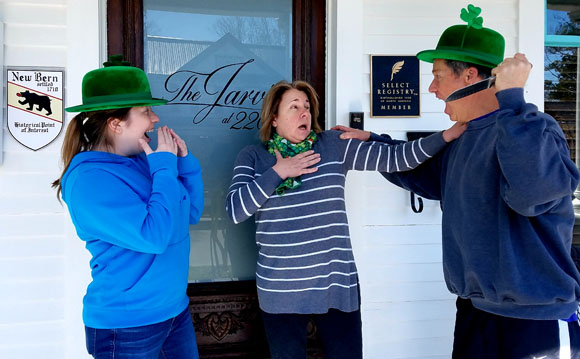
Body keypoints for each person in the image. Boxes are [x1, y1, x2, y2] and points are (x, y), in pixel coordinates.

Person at [334, 4, 580, 359]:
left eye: (438, 75)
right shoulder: (461, 138)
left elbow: (531, 194)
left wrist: (512, 100)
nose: (432, 88)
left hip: (535, 320)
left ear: (469, 77)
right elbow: (421, 174)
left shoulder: (534, 128)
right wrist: (371, 143)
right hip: (475, 314)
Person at [224, 80, 464, 359]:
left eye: (306, 107)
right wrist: (278, 172)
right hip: (281, 290)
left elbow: (397, 158)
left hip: (335, 284)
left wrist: (445, 136)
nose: (304, 113)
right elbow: (236, 210)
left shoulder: (332, 146)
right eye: (294, 107)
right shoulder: (254, 157)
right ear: (274, 118)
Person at [52, 55, 204, 359]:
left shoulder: (142, 162)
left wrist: (184, 165)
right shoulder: (88, 180)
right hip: (127, 327)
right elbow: (153, 237)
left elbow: (189, 213)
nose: (155, 119)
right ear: (116, 124)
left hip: (173, 311)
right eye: (145, 111)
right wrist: (163, 168)